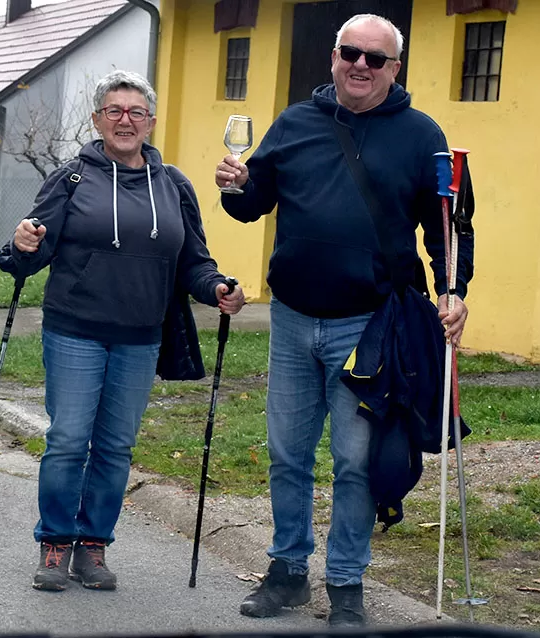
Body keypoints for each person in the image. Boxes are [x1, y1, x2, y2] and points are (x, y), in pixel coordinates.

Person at [214, 14, 474, 627]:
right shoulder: (296, 123)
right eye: (350, 53)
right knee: (287, 453)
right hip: (294, 318)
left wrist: (454, 290)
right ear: (333, 57)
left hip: (370, 327)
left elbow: (449, 229)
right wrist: (234, 185)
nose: (361, 65)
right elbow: (253, 205)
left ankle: (347, 583)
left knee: (355, 460)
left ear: (394, 69)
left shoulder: (420, 135)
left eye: (375, 59)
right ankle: (286, 572)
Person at [6, 69, 245, 592]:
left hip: (140, 337)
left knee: (115, 445)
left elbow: (193, 264)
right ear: (96, 120)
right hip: (74, 331)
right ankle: (54, 544)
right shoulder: (72, 178)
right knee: (69, 439)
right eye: (114, 111)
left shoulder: (174, 185)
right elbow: (33, 248)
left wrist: (219, 288)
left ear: (151, 122)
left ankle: (93, 547)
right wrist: (22, 244)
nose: (125, 120)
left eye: (136, 112)